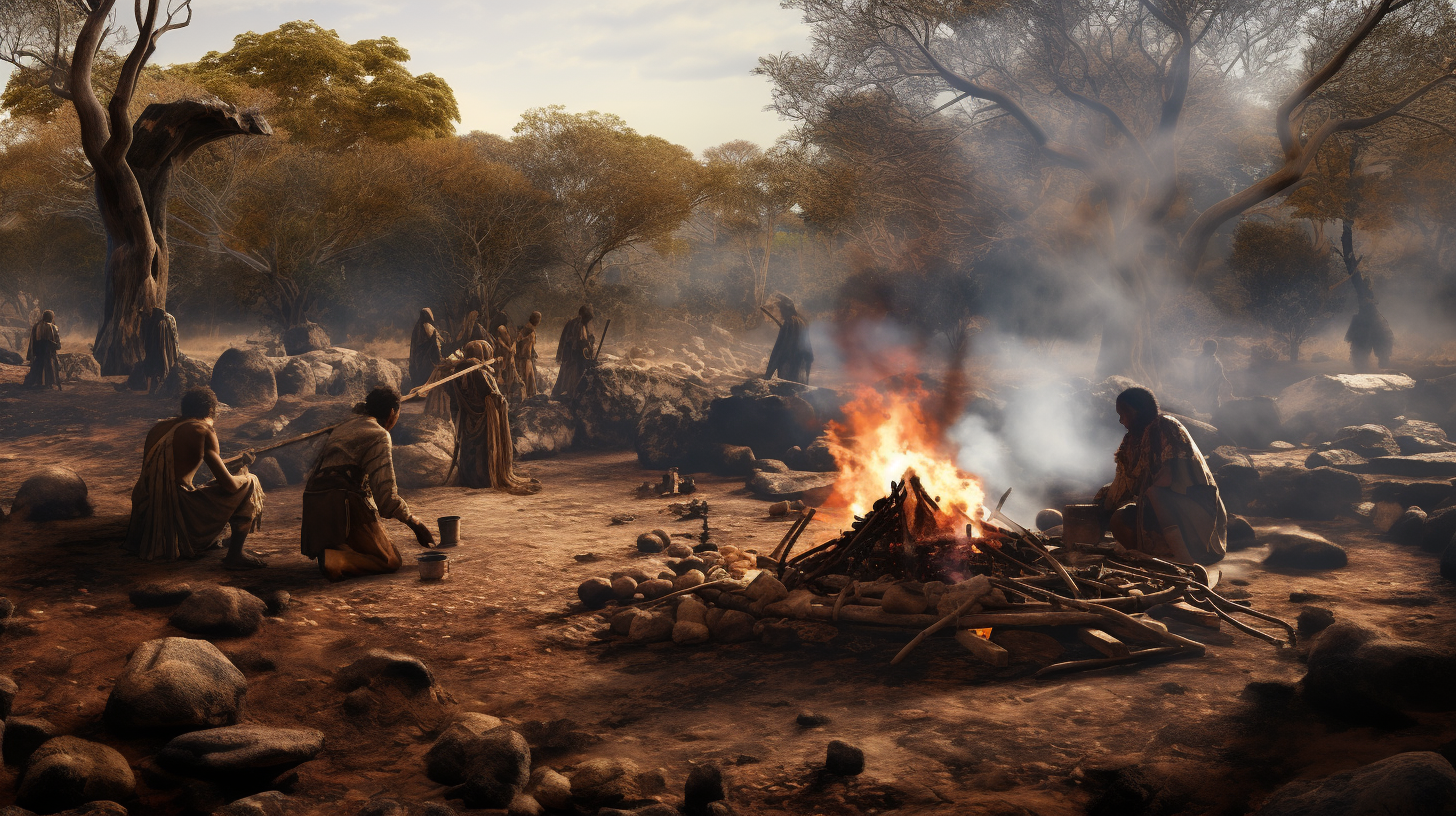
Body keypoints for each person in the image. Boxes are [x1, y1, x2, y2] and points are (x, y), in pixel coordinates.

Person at [301, 386, 435, 581]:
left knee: (374, 545)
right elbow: (386, 499)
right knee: (390, 560)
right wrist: (414, 522)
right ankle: (336, 560)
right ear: (392, 413)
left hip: (315, 505)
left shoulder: (344, 426)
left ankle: (334, 551)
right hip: (342, 504)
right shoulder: (379, 435)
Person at [125, 387, 266, 568]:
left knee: (217, 483)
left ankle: (221, 542)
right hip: (176, 513)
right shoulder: (202, 430)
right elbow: (230, 485)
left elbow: (179, 465)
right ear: (210, 410)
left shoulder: (160, 427)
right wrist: (245, 473)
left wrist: (237, 463)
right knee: (250, 482)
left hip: (147, 515)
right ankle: (235, 554)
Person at [1096, 387, 1227, 566]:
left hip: (1197, 508)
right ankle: (1160, 556)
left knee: (1154, 493)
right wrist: (1105, 500)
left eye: (1123, 414)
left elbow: (1167, 479)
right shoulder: (1131, 440)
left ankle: (1184, 559)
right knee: (1119, 519)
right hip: (1163, 507)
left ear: (1138, 410)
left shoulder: (1166, 426)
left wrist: (1145, 496)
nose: (1120, 420)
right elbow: (1123, 484)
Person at [449, 340, 540, 494]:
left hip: (469, 418)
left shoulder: (459, 373)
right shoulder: (481, 373)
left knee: (471, 448)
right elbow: (493, 395)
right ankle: (484, 478)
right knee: (484, 447)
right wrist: (501, 401)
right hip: (484, 419)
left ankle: (469, 478)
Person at [552, 305, 596, 400]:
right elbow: (579, 341)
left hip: (571, 354)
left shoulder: (576, 323)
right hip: (573, 355)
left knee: (567, 374)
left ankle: (565, 393)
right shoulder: (578, 324)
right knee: (573, 374)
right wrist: (589, 342)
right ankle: (570, 394)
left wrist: (589, 339)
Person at [765, 295, 813, 384]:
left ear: (786, 309)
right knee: (798, 391)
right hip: (802, 363)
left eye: (781, 309)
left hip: (789, 364)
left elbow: (779, 348)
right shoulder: (803, 322)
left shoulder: (789, 322)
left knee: (786, 391)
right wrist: (808, 369)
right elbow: (808, 347)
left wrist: (768, 374)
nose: (780, 311)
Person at [1346, 287, 1394, 371]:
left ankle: (1380, 367)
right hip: (1367, 328)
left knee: (1381, 360)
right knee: (1361, 360)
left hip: (1371, 327)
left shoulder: (1371, 315)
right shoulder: (1365, 315)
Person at [141, 306, 180, 395]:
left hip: (161, 350)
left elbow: (171, 337)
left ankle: (154, 389)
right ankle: (152, 389)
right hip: (159, 349)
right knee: (156, 368)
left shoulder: (160, 321)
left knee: (158, 368)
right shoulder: (161, 320)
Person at [24, 309, 61, 390]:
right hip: (49, 353)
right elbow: (58, 345)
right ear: (51, 317)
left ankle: (36, 382)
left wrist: (31, 354)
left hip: (38, 353)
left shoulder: (36, 326)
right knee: (51, 364)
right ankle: (50, 383)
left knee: (38, 365)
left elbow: (32, 342)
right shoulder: (53, 327)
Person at [409, 308, 444, 391]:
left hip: (418, 356)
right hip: (426, 356)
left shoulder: (417, 326)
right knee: (428, 372)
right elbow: (435, 341)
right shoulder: (427, 326)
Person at [1191, 339, 1229, 414]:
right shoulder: (1202, 360)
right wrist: (1198, 385)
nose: (1215, 350)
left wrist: (1225, 381)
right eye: (1213, 348)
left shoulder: (1214, 360)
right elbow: (1197, 374)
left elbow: (1220, 373)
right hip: (1204, 389)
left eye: (1215, 348)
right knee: (1204, 406)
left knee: (1212, 404)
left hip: (1212, 389)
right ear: (1205, 348)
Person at [516, 311, 541, 399]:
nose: (539, 321)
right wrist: (528, 356)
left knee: (530, 375)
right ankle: (528, 395)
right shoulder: (529, 329)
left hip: (527, 356)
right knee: (527, 375)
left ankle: (530, 394)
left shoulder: (529, 328)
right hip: (525, 356)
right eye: (539, 319)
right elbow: (525, 344)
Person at [493, 324, 518, 400]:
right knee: (502, 374)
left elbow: (512, 345)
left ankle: (508, 391)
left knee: (510, 375)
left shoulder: (509, 337)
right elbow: (502, 345)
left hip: (508, 359)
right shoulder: (500, 339)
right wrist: (509, 349)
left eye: (502, 332)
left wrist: (512, 351)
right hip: (503, 359)